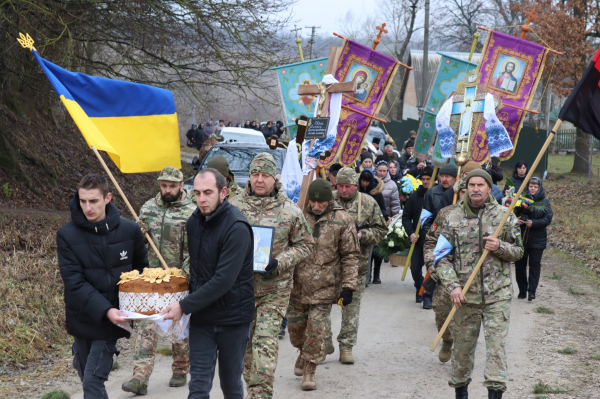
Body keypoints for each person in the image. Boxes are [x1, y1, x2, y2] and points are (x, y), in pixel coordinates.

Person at [161, 168, 255, 399]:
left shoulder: (237, 227)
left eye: (208, 193)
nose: (202, 199)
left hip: (233, 318)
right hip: (203, 317)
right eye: (197, 193)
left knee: (230, 384)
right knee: (199, 385)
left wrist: (183, 306)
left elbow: (223, 280)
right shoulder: (193, 222)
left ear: (223, 192)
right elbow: (196, 269)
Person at [229, 153, 314, 399]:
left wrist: (282, 262)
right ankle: (252, 387)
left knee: (264, 344)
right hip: (240, 290)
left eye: (265, 175)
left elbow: (305, 245)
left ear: (274, 178)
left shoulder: (290, 211)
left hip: (274, 290)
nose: (259, 180)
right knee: (244, 348)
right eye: (255, 174)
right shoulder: (234, 208)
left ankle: (261, 393)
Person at [57, 174, 148, 399]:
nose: (88, 207)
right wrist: (104, 309)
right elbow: (74, 282)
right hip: (82, 317)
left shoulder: (130, 230)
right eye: (83, 201)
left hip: (113, 319)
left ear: (107, 198)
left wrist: (132, 307)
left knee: (92, 381)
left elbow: (141, 271)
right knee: (84, 371)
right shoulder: (66, 235)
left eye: (94, 201)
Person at [435, 169, 524, 399]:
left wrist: (500, 247)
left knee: (496, 351)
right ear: (466, 188)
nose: (476, 189)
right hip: (465, 297)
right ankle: (461, 393)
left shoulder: (504, 216)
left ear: (488, 188)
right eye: (472, 185)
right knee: (462, 353)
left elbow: (519, 251)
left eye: (481, 185)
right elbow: (441, 257)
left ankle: (495, 394)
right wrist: (452, 286)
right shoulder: (452, 218)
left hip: (497, 296)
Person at [122, 167, 196, 395]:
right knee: (147, 324)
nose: (168, 190)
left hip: (179, 279)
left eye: (172, 186)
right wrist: (139, 234)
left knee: (179, 329)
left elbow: (196, 250)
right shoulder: (148, 208)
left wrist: (184, 274)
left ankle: (181, 369)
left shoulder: (191, 212)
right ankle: (140, 377)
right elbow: (138, 246)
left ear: (182, 185)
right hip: (152, 280)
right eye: (164, 185)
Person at [288, 179, 360, 391]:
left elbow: (350, 256)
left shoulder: (343, 220)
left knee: (316, 330)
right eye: (313, 202)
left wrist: (348, 287)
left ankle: (310, 369)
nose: (316, 206)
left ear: (330, 200)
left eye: (321, 202)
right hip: (297, 285)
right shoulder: (297, 215)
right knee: (295, 329)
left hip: (325, 286)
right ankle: (302, 352)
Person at [323, 167, 387, 364]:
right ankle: (324, 343)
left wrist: (362, 235)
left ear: (356, 186)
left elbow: (381, 230)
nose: (344, 190)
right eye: (340, 186)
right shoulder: (328, 200)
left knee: (350, 309)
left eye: (348, 187)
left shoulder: (368, 203)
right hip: (328, 268)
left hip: (356, 269)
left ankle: (346, 347)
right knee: (322, 308)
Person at [424, 177, 467, 364]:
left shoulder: (489, 216)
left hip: (471, 275)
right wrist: (431, 264)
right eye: (464, 192)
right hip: (445, 272)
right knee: (442, 311)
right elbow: (431, 241)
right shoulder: (445, 214)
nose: (468, 195)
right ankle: (447, 340)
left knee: (467, 318)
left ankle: (463, 352)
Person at [514, 177, 553, 301]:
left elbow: (547, 218)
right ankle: (522, 290)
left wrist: (534, 223)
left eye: (535, 187)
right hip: (522, 236)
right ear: (527, 187)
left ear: (539, 188)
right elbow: (513, 213)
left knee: (534, 265)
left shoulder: (545, 201)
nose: (533, 189)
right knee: (520, 264)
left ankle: (532, 291)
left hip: (538, 238)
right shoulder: (521, 199)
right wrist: (517, 220)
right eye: (531, 186)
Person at [401, 166, 433, 306]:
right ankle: (419, 287)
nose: (426, 182)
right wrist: (411, 233)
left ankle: (427, 295)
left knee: (431, 269)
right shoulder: (415, 196)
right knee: (414, 268)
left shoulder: (439, 195)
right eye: (423, 179)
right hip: (417, 240)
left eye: (428, 179)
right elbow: (406, 216)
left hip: (433, 240)